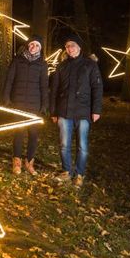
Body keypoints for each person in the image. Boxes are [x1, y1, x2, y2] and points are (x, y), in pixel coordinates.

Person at [50, 34, 103, 188]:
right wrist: (53, 112)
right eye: (67, 46)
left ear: (79, 47)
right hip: (64, 111)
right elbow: (54, 90)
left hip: (83, 111)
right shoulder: (62, 65)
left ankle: (79, 174)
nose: (70, 49)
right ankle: (66, 171)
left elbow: (97, 88)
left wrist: (96, 110)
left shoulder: (90, 65)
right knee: (64, 144)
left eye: (72, 45)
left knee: (82, 145)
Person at [3, 35, 49, 175]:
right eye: (31, 44)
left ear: (40, 48)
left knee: (33, 134)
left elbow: (44, 85)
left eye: (36, 45)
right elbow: (9, 80)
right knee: (19, 132)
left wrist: (45, 105)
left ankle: (29, 162)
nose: (33, 47)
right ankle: (16, 162)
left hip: (35, 104)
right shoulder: (17, 60)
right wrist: (6, 97)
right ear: (28, 45)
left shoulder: (42, 64)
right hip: (18, 102)